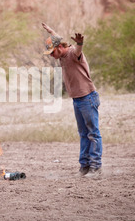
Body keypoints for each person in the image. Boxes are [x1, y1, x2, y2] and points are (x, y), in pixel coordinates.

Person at [42, 23, 103, 178]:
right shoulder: (61, 55)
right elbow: (58, 40)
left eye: (51, 52)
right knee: (83, 133)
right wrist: (50, 30)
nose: (51, 55)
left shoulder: (72, 53)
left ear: (59, 48)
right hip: (77, 99)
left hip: (87, 97)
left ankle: (96, 168)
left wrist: (80, 43)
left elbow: (77, 49)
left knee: (93, 133)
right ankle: (85, 166)